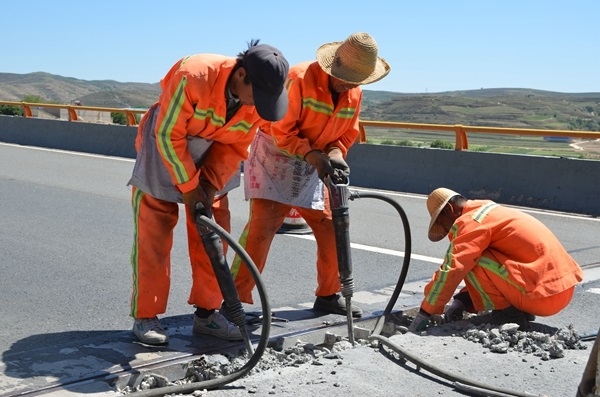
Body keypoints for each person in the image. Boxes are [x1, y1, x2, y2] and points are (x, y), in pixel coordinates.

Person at [127, 40, 289, 345]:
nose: (257, 105)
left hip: (214, 148)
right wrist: (190, 188)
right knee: (154, 233)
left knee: (212, 233)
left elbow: (236, 145)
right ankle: (145, 315)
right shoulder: (194, 75)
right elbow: (167, 134)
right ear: (241, 75)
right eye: (256, 96)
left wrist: (209, 187)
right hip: (165, 144)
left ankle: (207, 315)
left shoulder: (257, 100)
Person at [228, 32, 391, 318]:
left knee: (330, 225)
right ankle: (233, 302)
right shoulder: (298, 78)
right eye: (346, 77)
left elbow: (345, 133)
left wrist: (336, 153)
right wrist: (314, 155)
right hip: (277, 154)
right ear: (332, 66)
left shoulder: (354, 91)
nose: (349, 85)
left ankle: (328, 295)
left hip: (314, 161)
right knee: (262, 229)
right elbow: (281, 129)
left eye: (356, 81)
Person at [409, 187, 584, 333]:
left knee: (470, 258)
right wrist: (462, 301)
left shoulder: (471, 221)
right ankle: (517, 310)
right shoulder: (490, 213)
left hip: (541, 298)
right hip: (559, 290)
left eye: (444, 224)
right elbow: (499, 271)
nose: (448, 230)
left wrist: (426, 311)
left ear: (450, 209)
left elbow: (453, 268)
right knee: (474, 255)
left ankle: (507, 315)